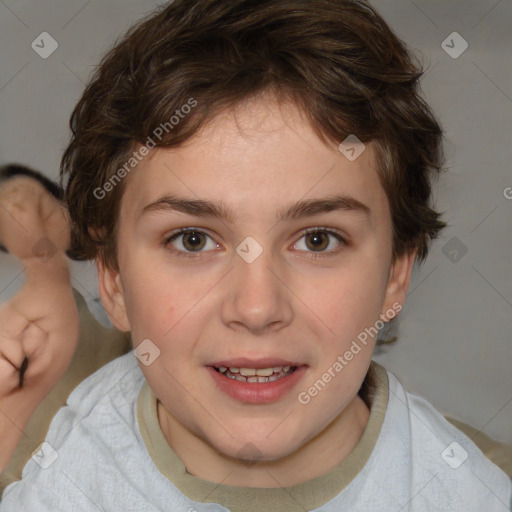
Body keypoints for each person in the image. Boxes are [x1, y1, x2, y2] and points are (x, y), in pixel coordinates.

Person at [0, 0, 511, 510]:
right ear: (112, 279)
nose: (257, 308)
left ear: (395, 276)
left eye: (317, 239)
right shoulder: (57, 481)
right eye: (193, 240)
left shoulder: (468, 492)